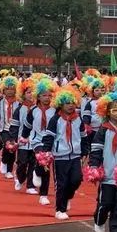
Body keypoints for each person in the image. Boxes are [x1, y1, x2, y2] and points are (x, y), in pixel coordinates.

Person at [39, 87, 89, 220]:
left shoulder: (78, 119)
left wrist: (85, 151)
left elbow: (83, 137)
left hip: (75, 156)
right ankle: (60, 209)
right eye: (67, 103)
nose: (70, 106)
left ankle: (67, 197)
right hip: (60, 157)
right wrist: (46, 153)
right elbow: (49, 137)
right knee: (61, 184)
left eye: (72, 102)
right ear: (61, 104)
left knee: (76, 179)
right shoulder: (55, 119)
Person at [89, 91, 117, 232]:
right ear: (107, 112)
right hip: (107, 175)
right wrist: (94, 166)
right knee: (105, 203)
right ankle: (99, 220)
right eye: (115, 110)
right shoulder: (103, 130)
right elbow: (96, 150)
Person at [10, 78, 38, 193]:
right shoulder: (19, 109)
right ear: (23, 94)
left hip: (35, 141)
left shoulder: (38, 109)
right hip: (22, 141)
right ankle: (20, 178)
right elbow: (14, 126)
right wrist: (13, 139)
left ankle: (30, 186)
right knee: (22, 163)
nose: (31, 94)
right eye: (28, 92)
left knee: (33, 163)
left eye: (33, 92)